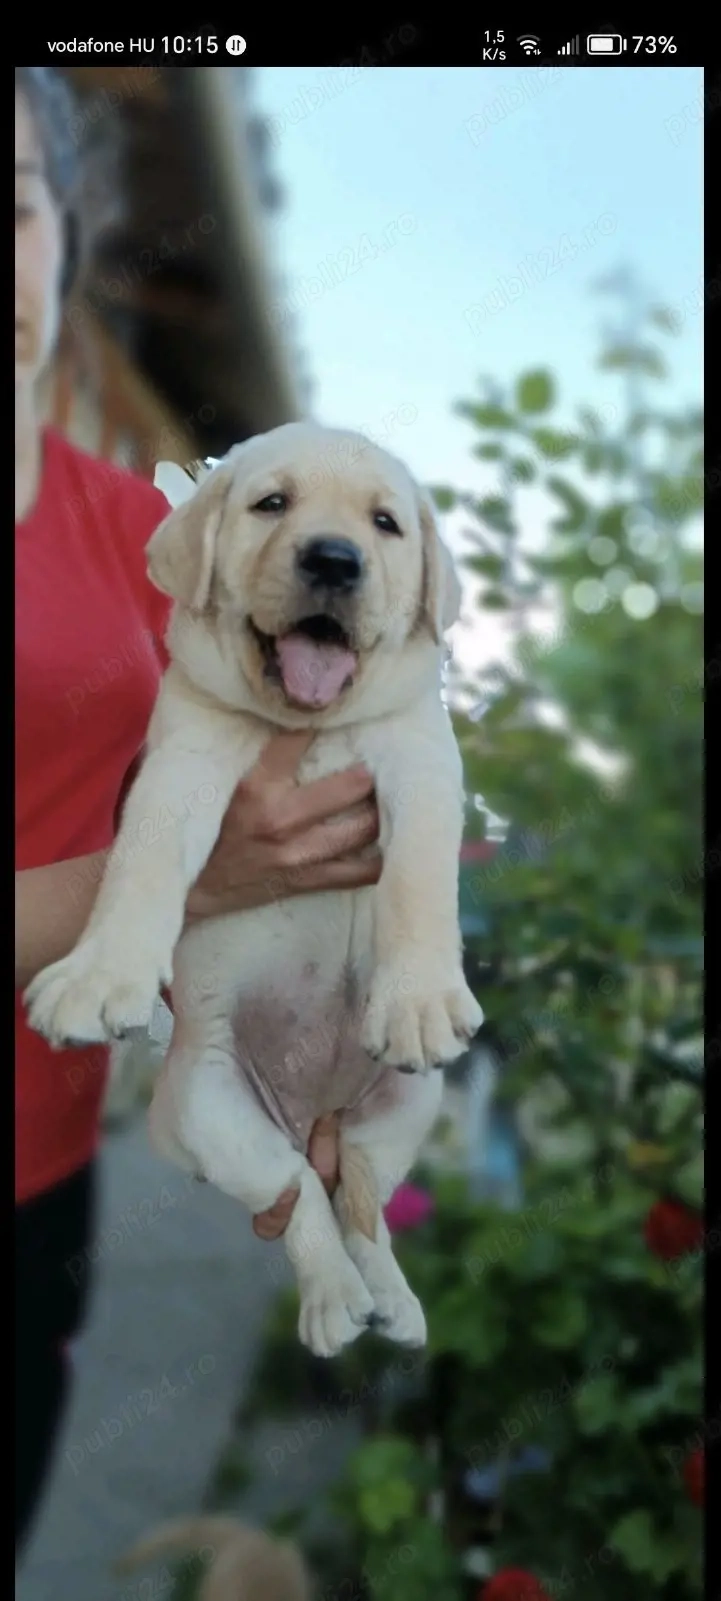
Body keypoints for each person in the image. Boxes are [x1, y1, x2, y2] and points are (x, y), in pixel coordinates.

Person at [15, 67, 381, 1556]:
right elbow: (196, 867)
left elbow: (256, 826)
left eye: (11, 205)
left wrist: (308, 1092)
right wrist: (188, 883)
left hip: (38, 1182)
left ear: (63, 230)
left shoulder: (145, 544)